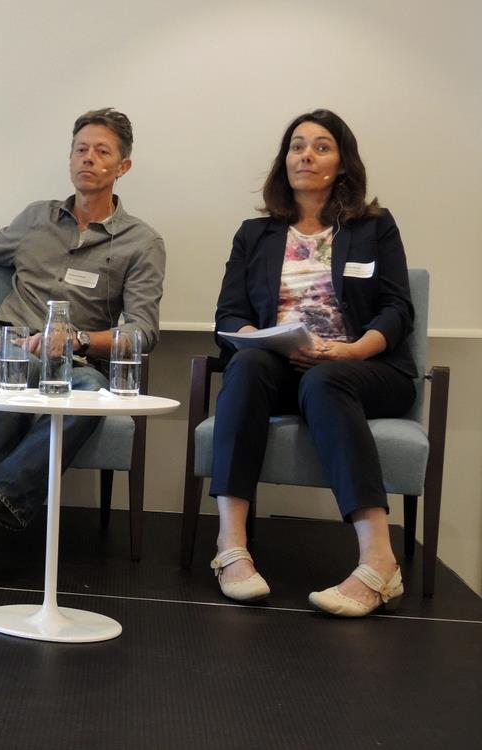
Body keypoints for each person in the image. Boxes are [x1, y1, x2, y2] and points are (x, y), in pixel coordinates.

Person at [0, 108, 165, 594]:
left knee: (93, 389)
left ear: (123, 167)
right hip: (10, 350)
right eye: (81, 149)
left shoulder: (143, 242)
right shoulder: (34, 218)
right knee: (20, 366)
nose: (88, 160)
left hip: (77, 364)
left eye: (102, 152)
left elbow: (142, 332)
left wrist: (74, 339)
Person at [207, 109, 414, 617]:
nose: (305, 155)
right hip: (281, 366)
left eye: (321, 146)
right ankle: (231, 547)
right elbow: (230, 313)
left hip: (361, 368)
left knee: (324, 380)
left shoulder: (373, 227)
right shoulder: (254, 234)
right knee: (247, 367)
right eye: (296, 145)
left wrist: (351, 349)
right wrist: (258, 338)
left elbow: (396, 307)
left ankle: (379, 562)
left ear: (342, 163)